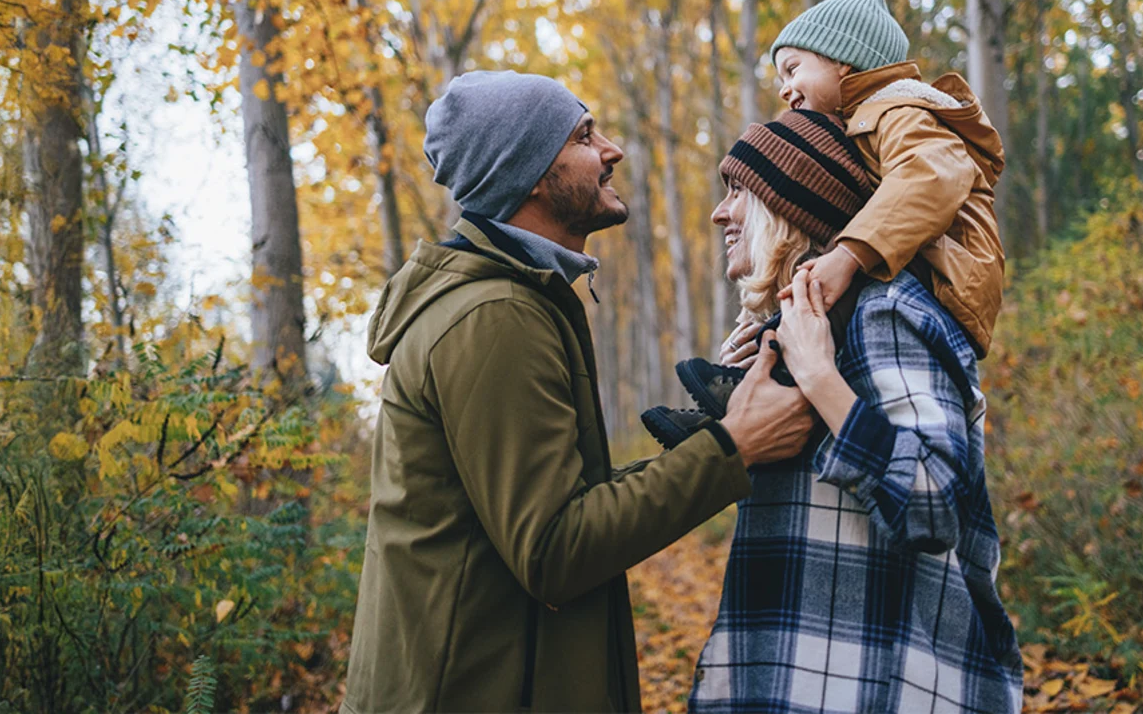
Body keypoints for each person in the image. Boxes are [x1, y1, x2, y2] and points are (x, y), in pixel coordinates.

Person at [342, 70, 817, 714]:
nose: (612, 149)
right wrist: (734, 449)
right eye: (585, 136)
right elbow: (554, 550)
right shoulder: (492, 316)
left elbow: (559, 505)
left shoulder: (513, 300)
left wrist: (718, 440)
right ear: (534, 171)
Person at [688, 109, 1024, 713]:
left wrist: (821, 380)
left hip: (879, 689)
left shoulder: (885, 312)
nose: (721, 212)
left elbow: (934, 500)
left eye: (738, 189)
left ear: (791, 203)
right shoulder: (811, 326)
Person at [746, 0, 1006, 360]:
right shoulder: (864, 121)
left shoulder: (900, 112)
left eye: (792, 69)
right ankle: (755, 364)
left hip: (945, 279)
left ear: (842, 60)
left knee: (826, 304)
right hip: (916, 270)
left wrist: (849, 255)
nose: (785, 89)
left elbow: (929, 178)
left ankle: (769, 363)